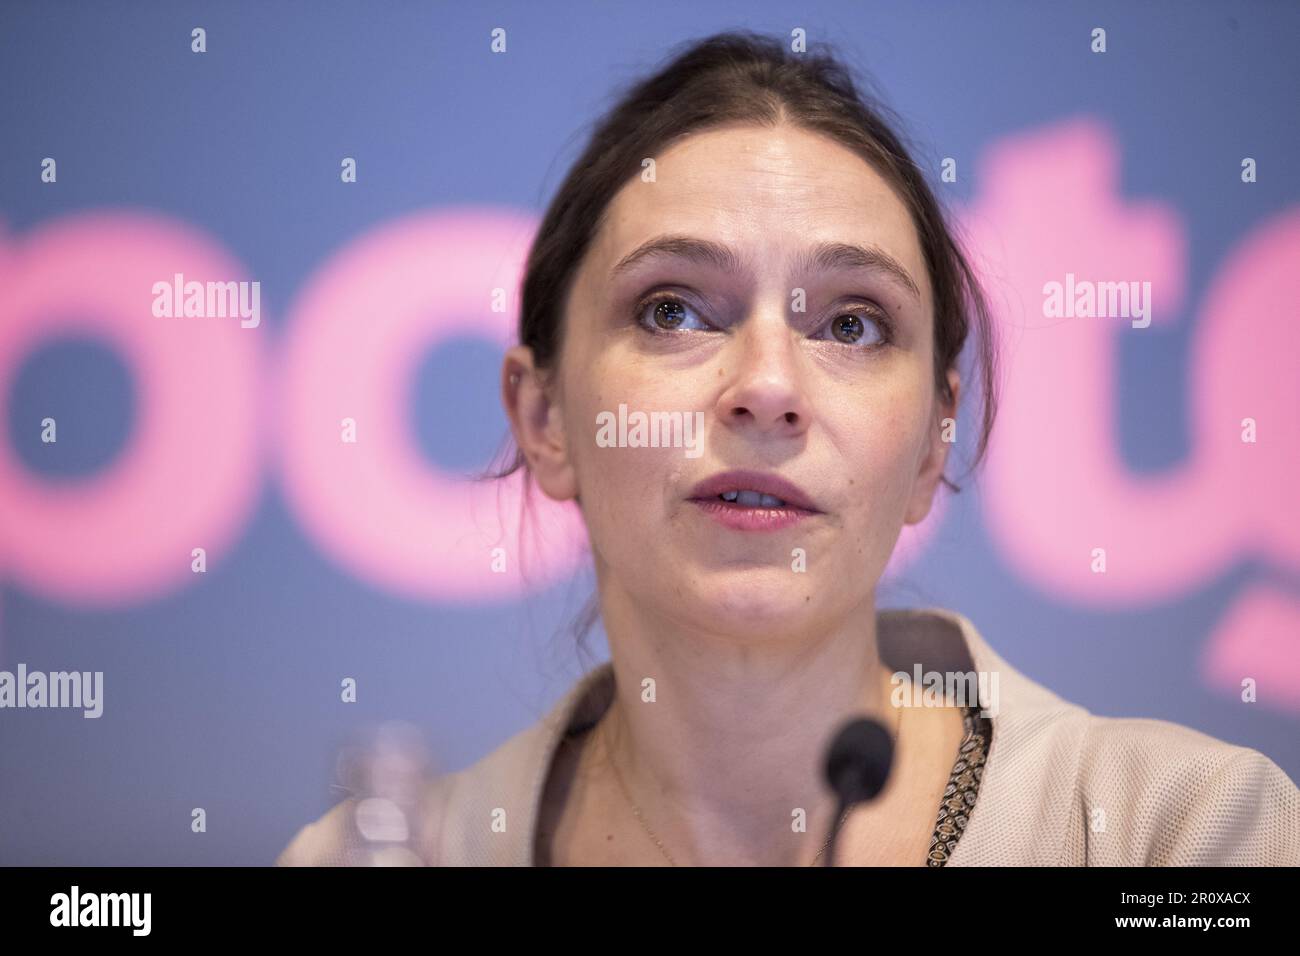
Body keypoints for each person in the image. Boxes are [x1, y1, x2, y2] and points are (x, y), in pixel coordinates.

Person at [277, 30, 1299, 867]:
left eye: (851, 323)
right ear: (543, 419)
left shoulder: (1186, 835)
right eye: (673, 308)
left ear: (932, 442)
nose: (766, 387)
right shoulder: (367, 857)